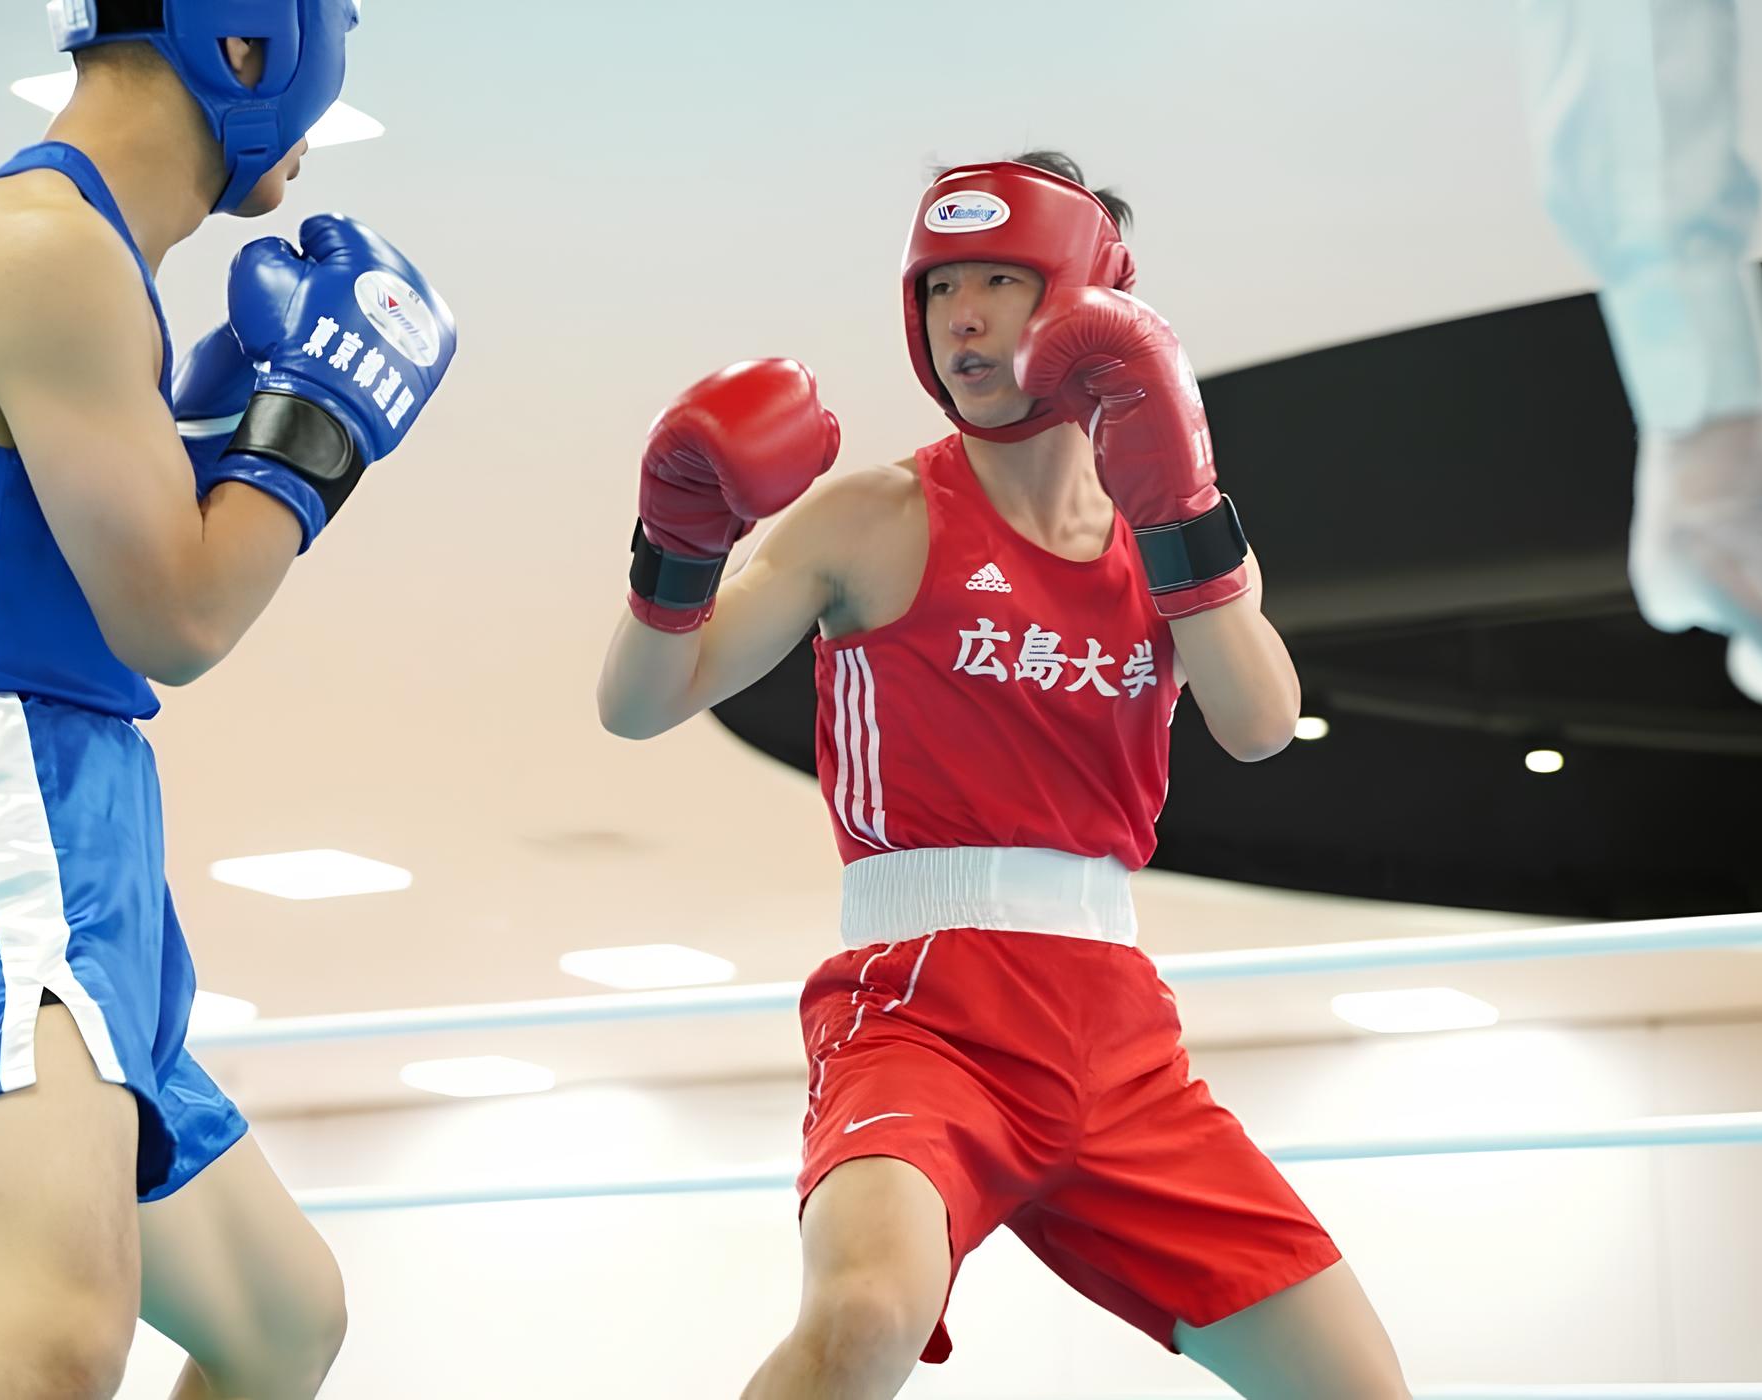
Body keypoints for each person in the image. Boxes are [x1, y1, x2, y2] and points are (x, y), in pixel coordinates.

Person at [597, 154, 1409, 1400]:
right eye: (941, 287)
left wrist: (1182, 511)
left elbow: (1260, 721)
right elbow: (640, 703)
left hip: (1118, 1028)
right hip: (921, 1008)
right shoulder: (870, 516)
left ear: (1090, 303)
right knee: (864, 1311)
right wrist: (678, 544)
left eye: (1000, 283)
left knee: (1358, 1385)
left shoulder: (1169, 530)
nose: (962, 318)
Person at [0, 2, 455, 1395]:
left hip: (47, 784)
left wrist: (226, 439)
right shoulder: (42, 245)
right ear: (250, 44)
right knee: (43, 1335)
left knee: (281, 1324)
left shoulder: (83, 258)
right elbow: (179, 616)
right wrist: (324, 422)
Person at [1520, 0, 1762, 725]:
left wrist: (1711, 420)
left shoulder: (1699, 563)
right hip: (1713, 400)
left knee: (1617, 173)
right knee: (1626, 172)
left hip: (1704, 404)